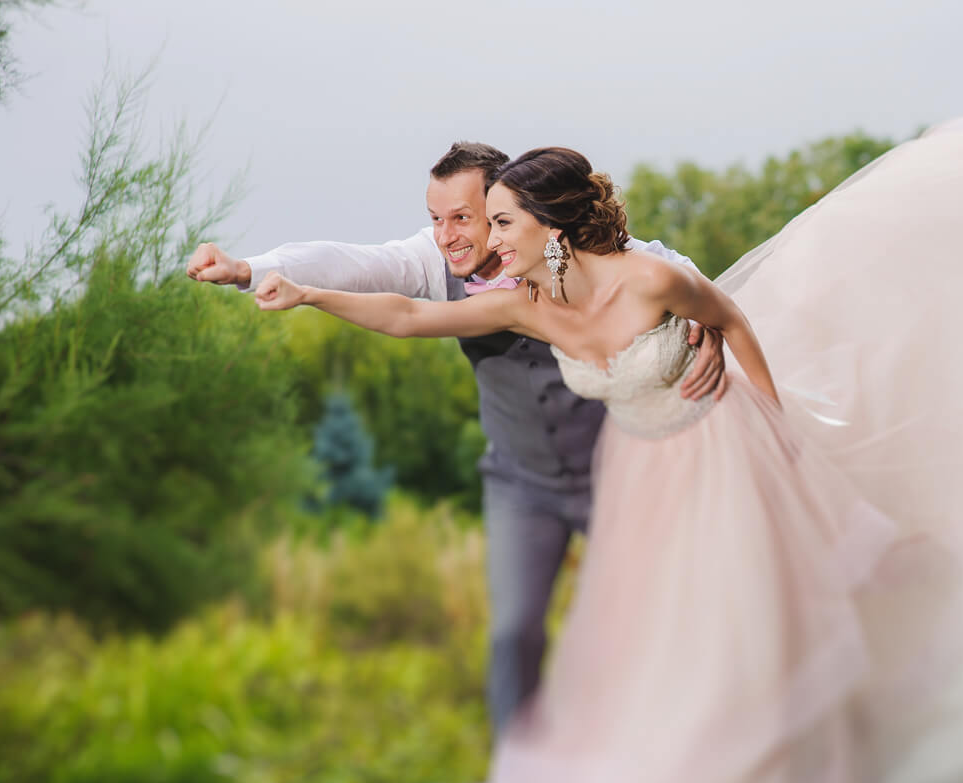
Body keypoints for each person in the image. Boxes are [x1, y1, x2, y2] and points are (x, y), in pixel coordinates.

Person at [252, 74, 963, 783]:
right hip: (643, 476)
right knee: (655, 647)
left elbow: (729, 319)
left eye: (504, 221)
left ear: (552, 225)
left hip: (719, 454)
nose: (493, 241)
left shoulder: (649, 275)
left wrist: (770, 412)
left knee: (738, 627)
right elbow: (413, 314)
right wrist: (305, 291)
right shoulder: (522, 302)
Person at [186, 143, 725, 735]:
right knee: (513, 631)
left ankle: (670, 747)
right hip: (523, 482)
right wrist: (249, 270)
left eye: (463, 218)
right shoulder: (438, 259)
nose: (447, 236)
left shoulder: (578, 251)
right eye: (435, 219)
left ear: (502, 207)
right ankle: (520, 777)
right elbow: (356, 264)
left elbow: (667, 265)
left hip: (618, 475)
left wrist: (705, 320)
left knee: (650, 620)